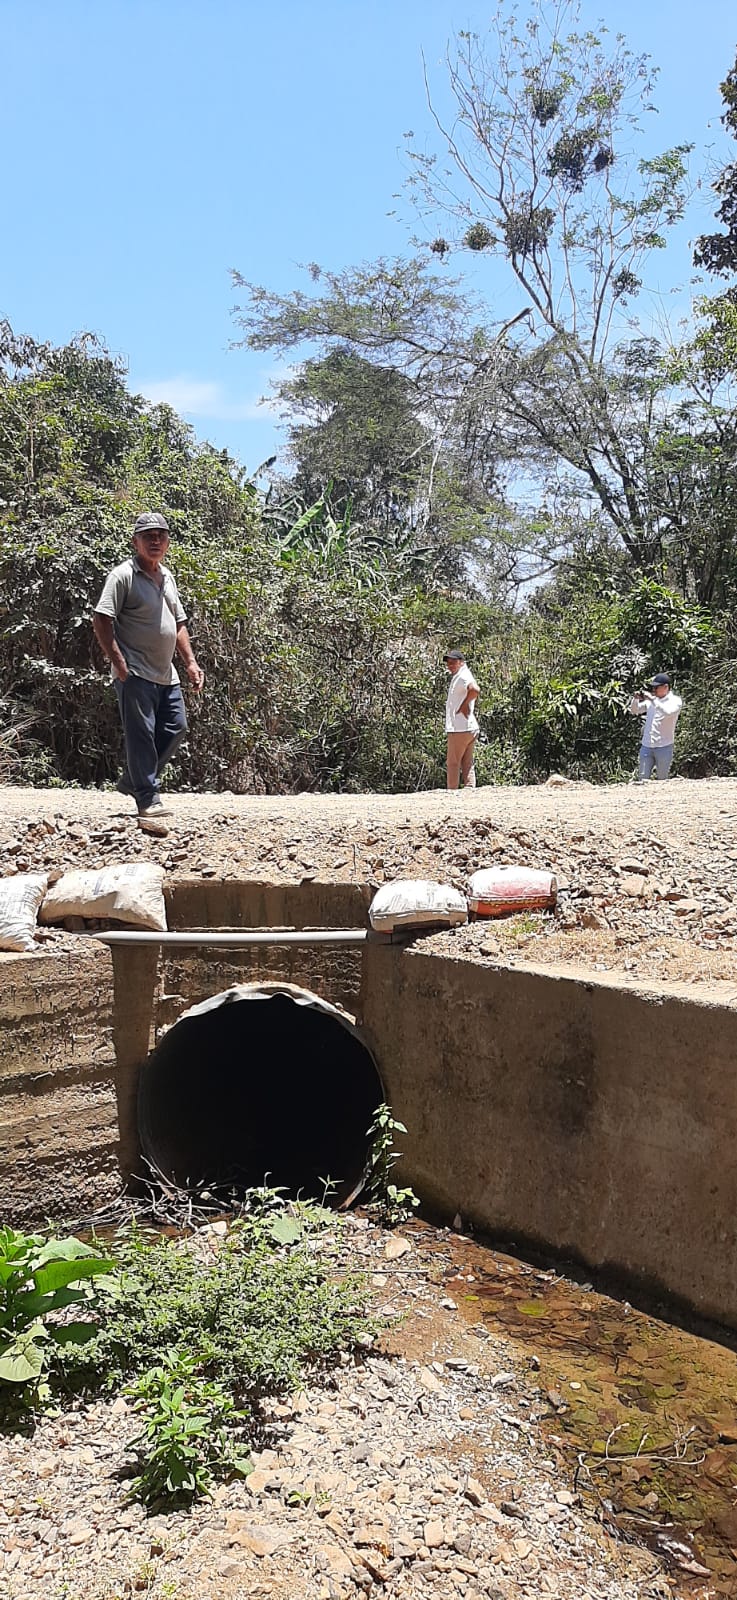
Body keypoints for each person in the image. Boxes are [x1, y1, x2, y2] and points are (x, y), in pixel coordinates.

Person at [93, 513, 204, 834]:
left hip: (166, 673)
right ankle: (146, 797)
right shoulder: (123, 576)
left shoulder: (166, 576)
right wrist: (118, 661)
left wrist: (190, 662)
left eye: (161, 536)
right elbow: (101, 619)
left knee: (176, 727)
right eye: (148, 536)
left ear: (167, 542)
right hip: (135, 672)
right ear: (136, 541)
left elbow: (178, 624)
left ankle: (133, 779)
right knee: (141, 735)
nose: (155, 541)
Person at [628, 672, 682, 782]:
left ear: (666, 687)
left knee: (662, 778)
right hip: (647, 745)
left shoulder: (675, 701)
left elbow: (668, 712)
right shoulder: (651, 701)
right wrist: (636, 699)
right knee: (642, 778)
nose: (654, 690)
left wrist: (652, 700)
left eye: (656, 687)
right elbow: (635, 710)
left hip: (664, 746)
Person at [444, 649, 480, 789]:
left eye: (453, 662)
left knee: (453, 763)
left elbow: (475, 689)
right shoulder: (461, 675)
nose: (450, 665)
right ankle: (470, 789)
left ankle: (452, 791)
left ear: (461, 662)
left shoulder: (463, 676)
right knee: (467, 762)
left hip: (459, 728)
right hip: (469, 727)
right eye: (449, 663)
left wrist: (464, 705)